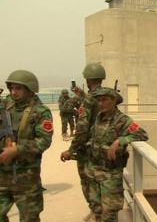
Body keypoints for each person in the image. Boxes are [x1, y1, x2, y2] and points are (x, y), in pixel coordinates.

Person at [86, 87, 148, 222]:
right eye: (98, 100)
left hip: (110, 175)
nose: (101, 103)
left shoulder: (122, 120)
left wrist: (121, 140)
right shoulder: (99, 117)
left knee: (109, 215)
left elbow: (142, 134)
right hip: (94, 172)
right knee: (96, 210)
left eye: (104, 100)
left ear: (114, 101)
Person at [0, 70, 53, 222]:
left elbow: (44, 141)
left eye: (18, 88)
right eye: (12, 88)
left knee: (29, 218)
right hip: (3, 174)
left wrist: (18, 149)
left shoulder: (40, 112)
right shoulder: (6, 105)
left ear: (30, 89)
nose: (13, 92)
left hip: (26, 177)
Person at [60, 62, 106, 222]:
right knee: (101, 183)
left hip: (88, 151)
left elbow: (81, 129)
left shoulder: (89, 100)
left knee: (88, 183)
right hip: (103, 148)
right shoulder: (106, 97)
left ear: (87, 79)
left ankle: (96, 214)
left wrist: (71, 150)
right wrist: (81, 95)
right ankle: (99, 212)